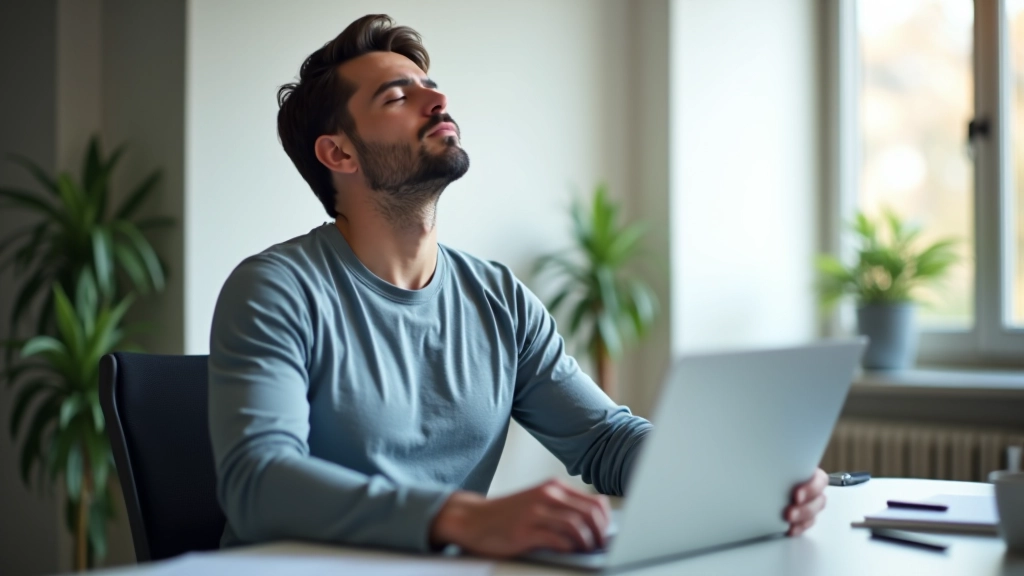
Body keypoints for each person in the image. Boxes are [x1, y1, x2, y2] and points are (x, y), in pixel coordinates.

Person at [207, 13, 828, 559]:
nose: (437, 98)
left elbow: (605, 439)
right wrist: (463, 518)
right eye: (399, 96)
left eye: (431, 85)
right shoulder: (276, 290)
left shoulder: (498, 298)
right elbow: (259, 483)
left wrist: (740, 475)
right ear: (339, 154)